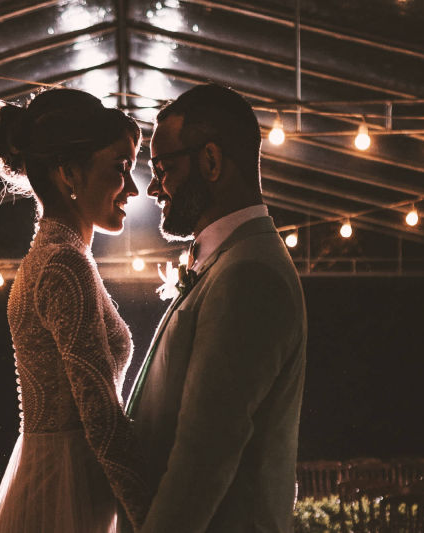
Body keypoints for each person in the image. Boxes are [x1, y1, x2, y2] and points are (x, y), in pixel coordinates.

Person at [125, 83, 307, 533]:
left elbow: (203, 457)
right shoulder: (228, 261)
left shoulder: (250, 274)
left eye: (163, 167)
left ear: (210, 161)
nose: (153, 188)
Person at [0, 88, 151, 533]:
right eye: (120, 168)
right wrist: (156, 516)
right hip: (65, 495)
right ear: (69, 174)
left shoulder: (58, 255)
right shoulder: (62, 263)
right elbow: (100, 414)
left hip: (62, 480)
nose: (133, 189)